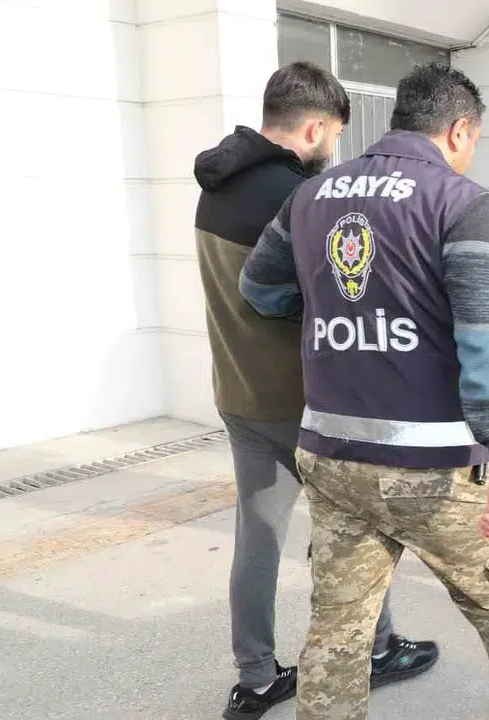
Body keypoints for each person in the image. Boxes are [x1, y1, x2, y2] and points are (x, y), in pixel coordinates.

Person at [239, 63, 489, 720]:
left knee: (338, 625)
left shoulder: (311, 195)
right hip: (432, 464)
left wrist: (333, 314)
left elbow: (259, 289)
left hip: (332, 452)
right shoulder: (461, 202)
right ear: (459, 129)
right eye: (473, 140)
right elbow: (488, 338)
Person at [194, 62, 433, 720]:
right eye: (335, 133)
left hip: (238, 391)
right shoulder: (301, 198)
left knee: (258, 539)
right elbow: (337, 296)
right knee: (360, 528)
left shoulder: (213, 186)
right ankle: (377, 649)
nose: (335, 147)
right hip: (307, 401)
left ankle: (255, 678)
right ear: (314, 127)